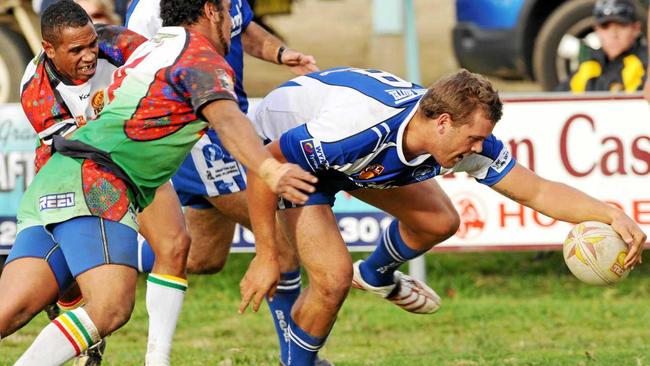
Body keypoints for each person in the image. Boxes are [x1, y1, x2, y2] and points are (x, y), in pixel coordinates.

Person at [239, 67, 647, 365]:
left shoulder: (456, 138)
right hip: (285, 154)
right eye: (474, 138)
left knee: (440, 221)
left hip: (348, 159)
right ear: (444, 122)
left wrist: (609, 214)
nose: (479, 148)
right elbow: (265, 166)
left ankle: (377, 274)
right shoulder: (357, 131)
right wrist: (265, 253)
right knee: (331, 279)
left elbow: (536, 190)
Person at [0, 0, 316, 365]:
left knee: (11, 311)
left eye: (90, 45)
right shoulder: (199, 61)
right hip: (97, 179)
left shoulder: (143, 44)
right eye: (231, 13)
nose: (236, 22)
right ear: (212, 12)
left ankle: (155, 358)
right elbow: (228, 120)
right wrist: (270, 169)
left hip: (65, 182)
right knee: (110, 307)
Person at [126, 1, 322, 364]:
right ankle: (296, 359)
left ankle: (92, 257)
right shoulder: (149, 11)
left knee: (202, 256)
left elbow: (242, 28)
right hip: (196, 134)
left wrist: (281, 53)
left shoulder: (228, 6)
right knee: (280, 232)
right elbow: (134, 70)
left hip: (227, 122)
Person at [557, 0, 647, 93]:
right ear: (597, 30)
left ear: (636, 28)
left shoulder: (646, 64)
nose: (613, 34)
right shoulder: (589, 63)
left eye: (621, 25)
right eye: (605, 27)